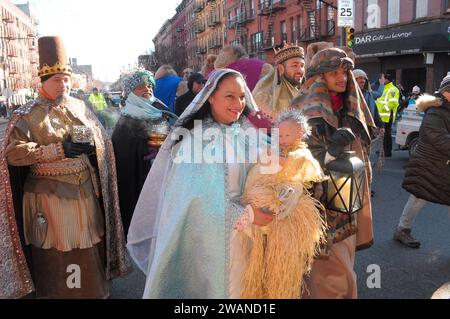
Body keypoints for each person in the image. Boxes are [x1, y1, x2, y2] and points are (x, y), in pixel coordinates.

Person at [0, 36, 131, 299]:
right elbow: (12, 153)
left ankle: (90, 291)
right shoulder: (26, 114)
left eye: (66, 79)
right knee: (58, 248)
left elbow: (98, 136)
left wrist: (94, 145)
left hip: (84, 189)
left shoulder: (79, 106)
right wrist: (56, 150)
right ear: (43, 81)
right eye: (57, 80)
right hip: (48, 197)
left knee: (88, 243)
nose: (64, 84)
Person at [127, 69, 273, 298]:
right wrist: (249, 215)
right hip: (214, 245)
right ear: (210, 97)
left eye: (242, 96)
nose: (238, 103)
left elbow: (271, 164)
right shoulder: (196, 140)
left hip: (249, 240)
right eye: (230, 96)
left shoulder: (244, 132)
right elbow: (198, 204)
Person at [290, 47, 376, 299]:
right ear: (319, 77)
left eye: (345, 73)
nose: (342, 78)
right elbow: (294, 162)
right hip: (319, 209)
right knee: (330, 277)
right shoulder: (302, 110)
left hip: (348, 203)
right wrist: (330, 152)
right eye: (334, 73)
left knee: (343, 269)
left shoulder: (349, 107)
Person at [240, 110, 326, 299]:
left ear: (301, 134)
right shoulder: (274, 147)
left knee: (280, 263)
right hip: (265, 195)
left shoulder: (301, 152)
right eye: (280, 134)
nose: (284, 139)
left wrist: (275, 160)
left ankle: (279, 289)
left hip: (286, 204)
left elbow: (296, 165)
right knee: (258, 258)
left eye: (288, 135)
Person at [111, 69, 176, 237]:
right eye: (140, 86)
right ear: (130, 93)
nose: (147, 89)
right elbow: (124, 163)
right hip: (138, 186)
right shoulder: (125, 120)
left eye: (149, 86)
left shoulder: (161, 112)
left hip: (163, 181)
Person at [393, 74, 450, 248]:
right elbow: (440, 139)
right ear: (446, 91)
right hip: (430, 163)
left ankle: (402, 229)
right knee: (419, 196)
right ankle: (402, 230)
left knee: (419, 196)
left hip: (443, 163)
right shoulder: (435, 111)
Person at [252, 43, 306, 124]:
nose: (300, 70)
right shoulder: (264, 94)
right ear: (281, 69)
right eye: (294, 66)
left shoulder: (304, 91)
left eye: (302, 66)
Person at [376, 73, 400, 157]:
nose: (381, 80)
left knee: (387, 134)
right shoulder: (383, 88)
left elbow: (393, 102)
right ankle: (382, 150)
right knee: (382, 134)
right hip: (381, 116)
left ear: (387, 80)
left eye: (383, 78)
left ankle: (387, 152)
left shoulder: (393, 89)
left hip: (387, 116)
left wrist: (384, 108)